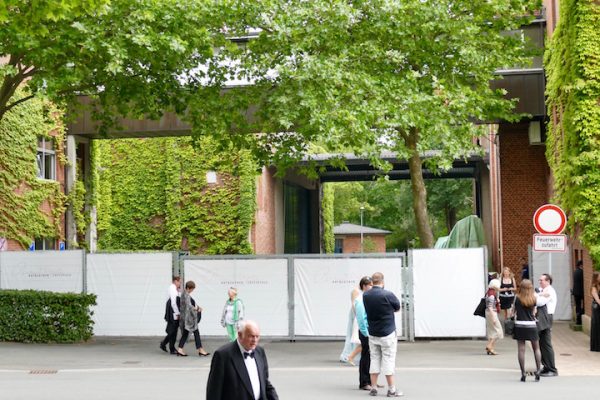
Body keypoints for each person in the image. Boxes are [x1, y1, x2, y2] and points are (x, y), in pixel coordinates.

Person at [206, 320, 278, 400]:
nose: (255, 340)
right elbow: (214, 391)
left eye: (257, 336)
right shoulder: (222, 355)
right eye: (251, 336)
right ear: (240, 335)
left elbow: (265, 382)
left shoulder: (259, 352)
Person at [362, 272, 402, 397]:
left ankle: (373, 388)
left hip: (373, 333)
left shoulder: (366, 295)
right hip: (387, 333)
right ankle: (391, 390)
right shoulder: (388, 294)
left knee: (374, 359)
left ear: (372, 282)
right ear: (382, 282)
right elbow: (397, 307)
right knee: (388, 360)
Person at [512, 279, 542, 382]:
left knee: (521, 349)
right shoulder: (534, 298)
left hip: (520, 325)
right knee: (536, 349)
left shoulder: (517, 298)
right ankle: (538, 371)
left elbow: (513, 312)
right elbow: (534, 312)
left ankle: (523, 373)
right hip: (531, 326)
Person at [176, 280, 210, 357]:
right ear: (188, 288)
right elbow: (189, 306)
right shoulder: (186, 295)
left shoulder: (184, 294)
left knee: (186, 333)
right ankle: (200, 349)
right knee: (195, 332)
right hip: (189, 319)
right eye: (192, 289)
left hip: (186, 318)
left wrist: (197, 307)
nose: (192, 291)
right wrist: (197, 309)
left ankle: (180, 349)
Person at [537, 273, 558, 377]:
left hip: (547, 317)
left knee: (546, 343)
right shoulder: (542, 291)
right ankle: (546, 366)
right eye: (539, 280)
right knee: (542, 343)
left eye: (542, 280)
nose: (540, 282)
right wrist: (539, 294)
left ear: (548, 281)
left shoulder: (549, 290)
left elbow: (540, 302)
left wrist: (538, 295)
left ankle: (552, 369)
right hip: (542, 317)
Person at [354, 276, 373, 391]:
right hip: (366, 332)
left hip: (370, 331)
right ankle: (364, 382)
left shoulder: (368, 298)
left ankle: (371, 380)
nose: (372, 287)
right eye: (370, 285)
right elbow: (361, 319)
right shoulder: (360, 300)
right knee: (366, 357)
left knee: (372, 357)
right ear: (364, 286)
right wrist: (366, 333)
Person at [339, 285, 362, 366]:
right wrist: (357, 315)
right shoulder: (355, 291)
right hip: (356, 313)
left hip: (361, 313)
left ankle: (356, 355)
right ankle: (349, 354)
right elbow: (353, 304)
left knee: (359, 335)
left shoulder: (367, 291)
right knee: (353, 333)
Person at [160, 276, 180, 355]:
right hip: (173, 312)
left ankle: (165, 345)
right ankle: (170, 347)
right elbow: (173, 302)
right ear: (175, 281)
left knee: (173, 330)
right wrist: (177, 313)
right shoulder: (172, 288)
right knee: (173, 330)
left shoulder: (174, 288)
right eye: (179, 282)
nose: (180, 283)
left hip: (172, 311)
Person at [485, 279, 504, 355]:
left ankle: (491, 348)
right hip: (492, 313)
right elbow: (490, 307)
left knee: (492, 331)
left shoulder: (489, 292)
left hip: (488, 313)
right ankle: (489, 345)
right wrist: (493, 318)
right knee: (498, 331)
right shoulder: (492, 295)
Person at [590, 272, 600, 352]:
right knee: (597, 325)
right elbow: (597, 300)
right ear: (596, 278)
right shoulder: (594, 288)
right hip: (597, 309)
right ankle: (596, 346)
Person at [573, 260, 584, 325]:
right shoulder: (581, 272)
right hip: (580, 291)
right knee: (581, 306)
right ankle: (579, 320)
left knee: (577, 306)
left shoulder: (575, 271)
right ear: (581, 265)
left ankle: (578, 320)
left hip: (575, 291)